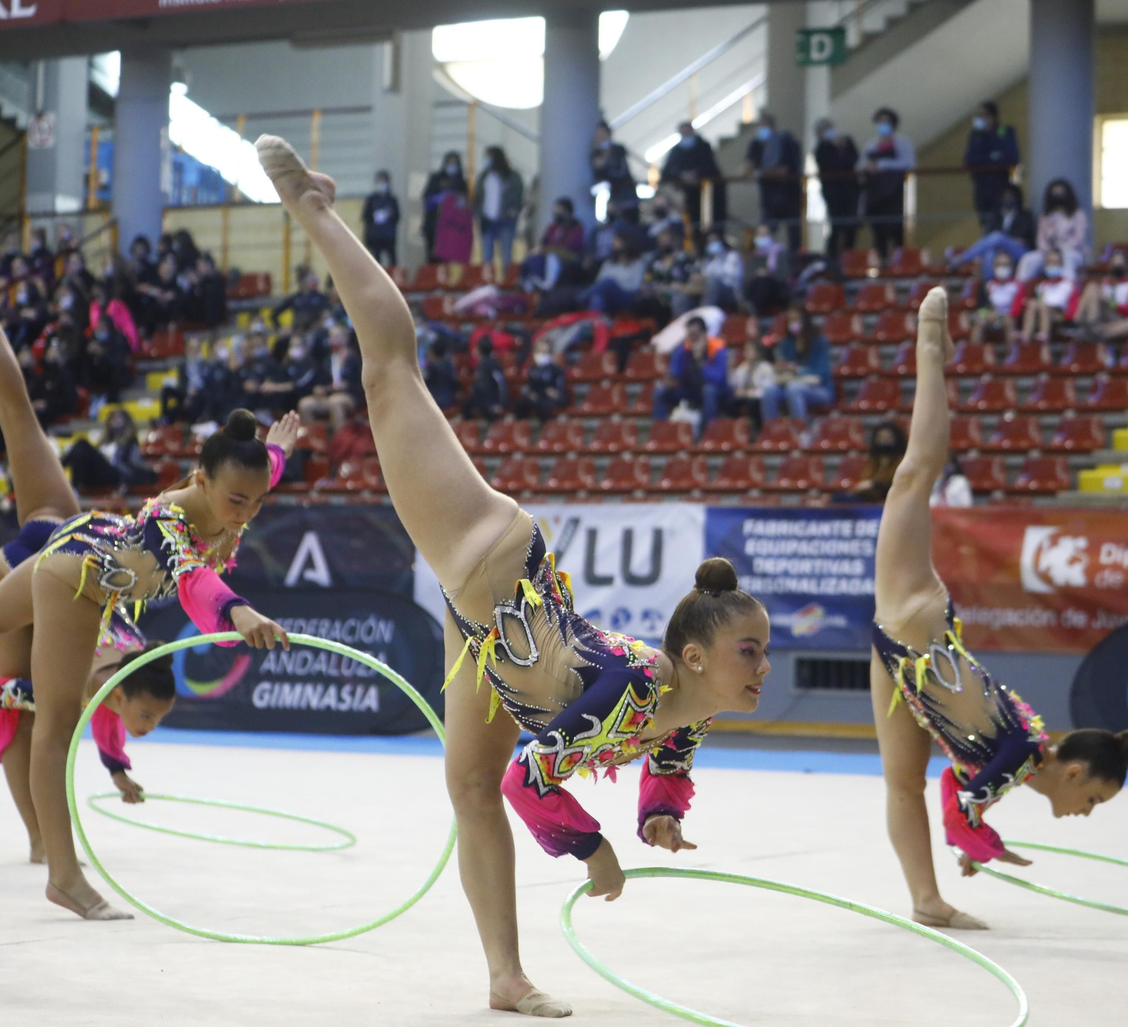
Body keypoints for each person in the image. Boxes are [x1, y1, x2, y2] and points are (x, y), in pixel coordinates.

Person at [258, 135, 772, 1018]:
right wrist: (590, 849)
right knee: (390, 371)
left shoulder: (688, 709)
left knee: (461, 786)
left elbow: (669, 760)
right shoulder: (627, 689)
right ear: (692, 658)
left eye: (762, 654)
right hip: (487, 553)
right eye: (751, 654)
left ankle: (505, 976)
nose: (763, 669)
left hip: (491, 637)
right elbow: (531, 781)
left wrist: (659, 814)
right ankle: (313, 208)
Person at [0, 229, 296, 923]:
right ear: (200, 481)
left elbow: (252, 483)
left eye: (256, 502)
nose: (244, 517)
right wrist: (240, 614)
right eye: (235, 501)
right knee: (54, 725)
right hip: (78, 575)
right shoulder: (180, 519)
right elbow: (197, 585)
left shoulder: (227, 497)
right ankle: (64, 875)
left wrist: (277, 457)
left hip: (80, 539)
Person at [869, 284, 1128, 930]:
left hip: (900, 667)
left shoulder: (1021, 764)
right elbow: (966, 803)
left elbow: (953, 792)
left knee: (902, 785)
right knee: (915, 473)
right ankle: (930, 346)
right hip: (915, 622)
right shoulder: (1022, 754)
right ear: (1074, 772)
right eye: (1095, 798)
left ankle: (925, 901)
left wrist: (976, 838)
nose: (1088, 811)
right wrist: (982, 843)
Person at [0, 649, 175, 863]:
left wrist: (117, 771)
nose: (152, 727)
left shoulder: (131, 678)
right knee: (32, 722)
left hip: (112, 642)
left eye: (159, 718)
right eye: (146, 716)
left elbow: (106, 714)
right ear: (118, 696)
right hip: (71, 644)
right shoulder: (70, 692)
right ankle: (40, 841)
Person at [859, 107, 917, 262]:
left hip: (894, 195)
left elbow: (909, 163)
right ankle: (882, 265)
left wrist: (882, 165)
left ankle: (900, 264)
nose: (882, 125)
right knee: (879, 234)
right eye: (879, 122)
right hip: (875, 195)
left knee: (897, 233)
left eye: (886, 122)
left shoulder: (903, 143)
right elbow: (861, 164)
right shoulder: (871, 145)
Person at [653, 315, 728, 433]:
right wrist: (670, 380)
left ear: (704, 333)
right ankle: (661, 431)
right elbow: (675, 372)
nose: (692, 339)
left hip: (712, 389)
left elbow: (719, 378)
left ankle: (706, 432)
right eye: (689, 335)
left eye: (695, 335)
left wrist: (700, 361)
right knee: (660, 390)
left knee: (709, 391)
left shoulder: (717, 347)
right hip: (688, 388)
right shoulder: (682, 348)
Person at [744, 111, 804, 254]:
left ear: (772, 125)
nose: (761, 128)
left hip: (789, 196)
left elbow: (784, 171)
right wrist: (761, 173)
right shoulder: (755, 144)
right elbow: (748, 170)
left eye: (764, 124)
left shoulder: (785, 141)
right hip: (769, 197)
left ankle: (795, 263)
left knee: (794, 233)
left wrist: (761, 173)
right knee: (766, 231)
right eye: (759, 125)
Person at [948, 183, 1037, 279]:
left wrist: (1005, 241)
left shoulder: (1025, 216)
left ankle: (962, 259)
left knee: (997, 237)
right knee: (989, 253)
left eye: (1011, 196)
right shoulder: (995, 217)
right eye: (1006, 196)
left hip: (1019, 251)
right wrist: (1001, 242)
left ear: (1017, 197)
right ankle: (988, 286)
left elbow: (1026, 237)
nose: (1008, 198)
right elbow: (988, 238)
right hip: (999, 251)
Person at [761, 308, 834, 423]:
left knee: (794, 388)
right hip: (790, 384)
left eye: (796, 319)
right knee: (769, 391)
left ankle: (801, 431)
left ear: (805, 320)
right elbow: (783, 367)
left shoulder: (819, 341)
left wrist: (796, 370)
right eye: (790, 320)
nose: (793, 323)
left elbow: (820, 371)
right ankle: (771, 430)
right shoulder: (786, 342)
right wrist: (780, 368)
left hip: (820, 388)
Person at [62, 408, 158, 490]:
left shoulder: (130, 443)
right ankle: (71, 484)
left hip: (114, 475)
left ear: (126, 421)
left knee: (82, 443)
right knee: (80, 449)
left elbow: (135, 465)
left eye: (119, 418)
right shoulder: (104, 442)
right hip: (96, 474)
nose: (115, 421)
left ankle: (61, 469)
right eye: (113, 418)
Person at [660, 122, 725, 241]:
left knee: (713, 221)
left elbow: (709, 166)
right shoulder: (677, 150)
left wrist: (696, 174)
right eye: (682, 132)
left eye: (687, 132)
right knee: (695, 224)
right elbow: (666, 172)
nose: (685, 135)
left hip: (709, 192)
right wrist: (682, 176)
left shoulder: (704, 146)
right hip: (690, 194)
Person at [962, 102, 1019, 231]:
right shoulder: (975, 135)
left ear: (994, 116)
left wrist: (988, 158)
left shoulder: (1004, 131)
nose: (983, 119)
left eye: (986, 116)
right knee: (985, 223)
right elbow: (970, 160)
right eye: (980, 116)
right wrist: (993, 156)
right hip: (981, 186)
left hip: (1001, 185)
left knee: (1001, 221)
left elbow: (1011, 157)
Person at [1019, 179, 1088, 281]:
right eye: (1055, 194)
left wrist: (1060, 249)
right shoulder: (1045, 216)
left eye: (1061, 194)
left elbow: (1078, 239)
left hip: (1071, 251)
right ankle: (1021, 292)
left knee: (1064, 259)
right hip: (1047, 252)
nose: (1058, 197)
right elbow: (1040, 240)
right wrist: (1049, 251)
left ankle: (1068, 291)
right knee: (1028, 259)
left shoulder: (1078, 214)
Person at [812, 119, 861, 256]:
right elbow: (831, 166)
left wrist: (841, 149)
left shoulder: (846, 143)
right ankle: (832, 259)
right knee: (836, 227)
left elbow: (854, 160)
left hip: (850, 191)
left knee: (851, 227)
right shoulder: (820, 150)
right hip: (833, 194)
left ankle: (849, 256)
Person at [475, 146, 525, 272]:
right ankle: (488, 285)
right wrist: (478, 215)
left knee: (506, 256)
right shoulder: (484, 176)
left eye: (489, 157)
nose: (486, 160)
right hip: (487, 221)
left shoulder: (512, 176)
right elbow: (478, 198)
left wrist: (513, 212)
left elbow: (518, 197)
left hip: (506, 221)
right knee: (487, 256)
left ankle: (506, 285)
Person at [967, 251, 1026, 346]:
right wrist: (988, 313)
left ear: (1012, 267)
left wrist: (1002, 315)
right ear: (994, 267)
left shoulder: (1017, 286)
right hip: (992, 316)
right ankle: (975, 352)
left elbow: (1017, 310)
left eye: (1005, 264)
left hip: (1009, 317)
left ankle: (1011, 355)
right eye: (999, 264)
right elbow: (982, 306)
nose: (1002, 267)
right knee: (979, 322)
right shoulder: (988, 285)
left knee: (1009, 321)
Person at [1020, 248, 1079, 342]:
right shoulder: (1041, 286)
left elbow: (1073, 305)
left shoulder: (1068, 285)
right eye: (1050, 263)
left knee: (1044, 306)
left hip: (1059, 314)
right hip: (1042, 312)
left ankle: (1044, 335)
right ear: (1045, 265)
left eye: (1055, 263)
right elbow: (1037, 302)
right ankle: (1026, 336)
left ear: (1061, 265)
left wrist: (1068, 319)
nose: (1052, 265)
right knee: (1032, 303)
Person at [423, 152, 470, 262]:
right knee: (433, 256)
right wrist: (440, 198)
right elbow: (427, 199)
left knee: (450, 257)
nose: (452, 165)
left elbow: (466, 206)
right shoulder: (436, 178)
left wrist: (457, 201)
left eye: (455, 163)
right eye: (450, 162)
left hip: (452, 229)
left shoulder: (461, 182)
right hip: (434, 223)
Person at [590, 122, 639, 219]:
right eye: (598, 133)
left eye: (602, 133)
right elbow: (598, 169)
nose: (600, 136)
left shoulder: (618, 149)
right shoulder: (596, 153)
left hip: (626, 188)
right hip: (611, 191)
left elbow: (622, 168)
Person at [726, 339, 775, 426]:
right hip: (745, 396)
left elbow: (767, 390)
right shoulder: (743, 367)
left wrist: (749, 393)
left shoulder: (766, 367)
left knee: (752, 403)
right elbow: (734, 383)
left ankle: (758, 429)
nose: (746, 352)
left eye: (750, 349)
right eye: (746, 350)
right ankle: (734, 429)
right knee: (730, 400)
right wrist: (731, 369)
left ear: (758, 352)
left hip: (758, 397)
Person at [516, 342, 568, 421]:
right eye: (538, 352)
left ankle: (547, 428)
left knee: (543, 405)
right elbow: (530, 386)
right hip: (537, 395)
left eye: (544, 352)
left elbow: (560, 387)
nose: (540, 355)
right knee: (521, 404)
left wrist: (556, 393)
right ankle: (520, 427)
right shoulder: (533, 369)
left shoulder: (555, 369)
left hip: (550, 398)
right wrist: (530, 394)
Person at [361, 170, 402, 267]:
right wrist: (376, 216)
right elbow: (365, 216)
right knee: (376, 261)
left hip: (389, 236)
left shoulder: (392, 199)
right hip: (375, 236)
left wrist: (389, 215)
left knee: (392, 260)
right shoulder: (371, 199)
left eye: (383, 181)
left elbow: (397, 216)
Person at [540, 197, 586, 266]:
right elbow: (543, 244)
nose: (555, 213)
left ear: (567, 211)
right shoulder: (552, 227)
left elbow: (568, 247)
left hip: (569, 260)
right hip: (548, 257)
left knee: (552, 259)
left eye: (559, 210)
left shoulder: (577, 228)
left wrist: (552, 249)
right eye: (555, 210)